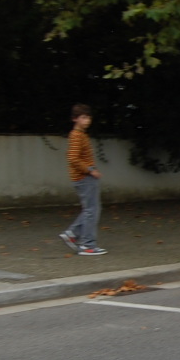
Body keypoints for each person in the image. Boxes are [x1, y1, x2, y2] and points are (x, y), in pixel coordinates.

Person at [59, 104, 106, 256]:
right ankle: (87, 245)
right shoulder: (76, 135)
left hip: (84, 177)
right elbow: (73, 158)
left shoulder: (81, 135)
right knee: (91, 211)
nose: (87, 120)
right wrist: (90, 170)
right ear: (75, 119)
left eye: (88, 117)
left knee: (91, 210)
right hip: (84, 177)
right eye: (83, 117)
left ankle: (72, 234)